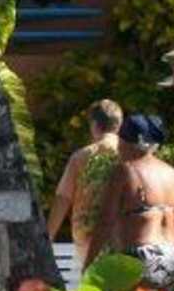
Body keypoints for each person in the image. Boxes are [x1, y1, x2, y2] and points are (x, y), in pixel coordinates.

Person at [93, 113, 174, 290]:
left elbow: (105, 221)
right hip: (172, 256)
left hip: (140, 256)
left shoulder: (124, 171)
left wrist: (89, 263)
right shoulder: (170, 172)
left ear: (126, 143)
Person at [46, 98, 124, 266]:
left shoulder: (81, 157)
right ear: (118, 125)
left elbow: (63, 198)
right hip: (123, 236)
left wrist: (48, 237)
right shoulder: (130, 155)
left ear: (94, 125)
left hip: (88, 239)